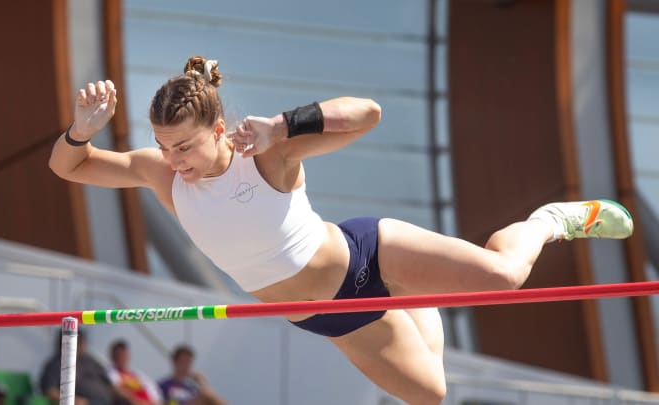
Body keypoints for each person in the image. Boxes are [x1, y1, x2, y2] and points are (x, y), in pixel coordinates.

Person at [48, 55, 634, 405]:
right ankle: (410, 300)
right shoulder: (160, 175)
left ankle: (553, 220)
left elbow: (369, 114)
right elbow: (67, 167)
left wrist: (283, 125)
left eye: (184, 146)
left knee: (504, 276)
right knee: (430, 393)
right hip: (331, 316)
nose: (173, 159)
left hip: (365, 254)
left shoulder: (264, 155)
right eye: (163, 146)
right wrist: (80, 128)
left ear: (220, 129)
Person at [39, 329, 119, 405]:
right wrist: (74, 400)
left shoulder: (89, 360)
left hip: (109, 400)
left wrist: (124, 394)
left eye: (82, 341)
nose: (82, 345)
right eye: (78, 341)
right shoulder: (55, 364)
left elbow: (108, 379)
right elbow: (49, 390)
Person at [157, 345, 225, 405]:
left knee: (207, 394)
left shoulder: (192, 388)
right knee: (206, 394)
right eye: (183, 361)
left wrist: (201, 382)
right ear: (174, 362)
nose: (186, 366)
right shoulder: (163, 386)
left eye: (189, 362)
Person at [107, 340, 162, 405]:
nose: (121, 358)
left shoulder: (139, 375)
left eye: (124, 355)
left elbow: (156, 398)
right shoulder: (110, 374)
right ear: (112, 356)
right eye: (118, 355)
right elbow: (119, 392)